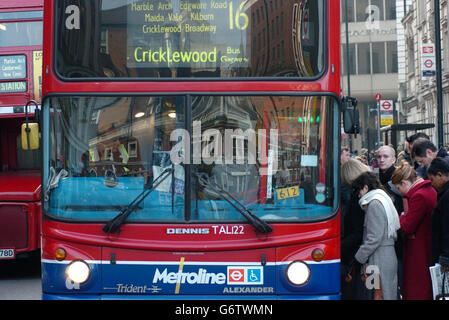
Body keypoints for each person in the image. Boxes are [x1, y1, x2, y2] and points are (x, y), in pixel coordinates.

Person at [350, 171, 400, 300]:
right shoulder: (383, 199)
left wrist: (358, 258)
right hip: (386, 255)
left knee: (376, 294)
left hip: (377, 259)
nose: (358, 195)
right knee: (385, 293)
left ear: (366, 187)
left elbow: (373, 238)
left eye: (359, 190)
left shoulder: (374, 204)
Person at [391, 161, 437, 300]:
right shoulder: (429, 190)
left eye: (398, 188)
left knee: (416, 289)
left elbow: (407, 226)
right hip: (426, 247)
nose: (400, 192)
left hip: (418, 250)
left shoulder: (418, 196)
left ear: (404, 182)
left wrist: (399, 217)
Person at [340, 159, 372, 300]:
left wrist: (340, 247)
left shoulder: (357, 200)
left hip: (358, 254)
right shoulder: (370, 194)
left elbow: (357, 231)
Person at [376, 145, 404, 298]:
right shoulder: (376, 177)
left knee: (392, 283)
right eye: (379, 157)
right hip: (381, 238)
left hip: (395, 238)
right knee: (377, 284)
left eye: (385, 157)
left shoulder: (397, 178)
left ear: (394, 159)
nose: (381, 160)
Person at [427, 158, 449, 265]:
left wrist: (445, 256)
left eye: (432, 180)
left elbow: (446, 226)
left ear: (440, 175)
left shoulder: (446, 196)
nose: (431, 184)